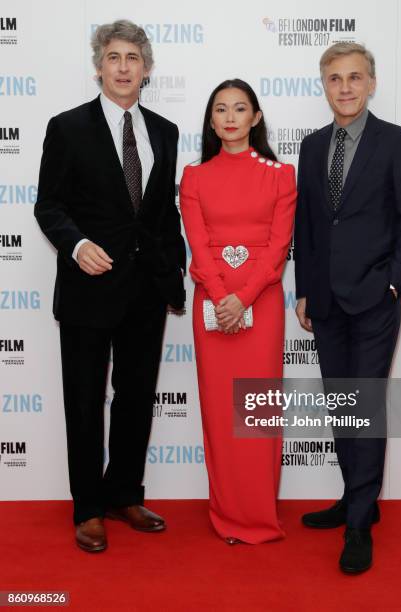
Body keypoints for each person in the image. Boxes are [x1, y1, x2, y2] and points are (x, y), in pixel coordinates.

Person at [34, 20, 185, 553]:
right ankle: (89, 507)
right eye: (114, 57)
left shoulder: (164, 131)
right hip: (87, 288)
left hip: (146, 289)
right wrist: (76, 245)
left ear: (146, 69)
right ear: (99, 66)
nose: (123, 67)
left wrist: (174, 274)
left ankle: (125, 494)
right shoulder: (67, 127)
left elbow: (163, 212)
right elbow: (48, 205)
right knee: (83, 398)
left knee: (137, 397)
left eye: (133, 58)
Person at [294, 43, 401, 573]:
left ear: (371, 83)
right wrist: (305, 290)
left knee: (365, 408)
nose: (345, 87)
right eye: (334, 78)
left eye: (354, 77)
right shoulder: (310, 147)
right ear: (324, 86)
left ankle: (357, 525)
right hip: (326, 303)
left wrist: (394, 286)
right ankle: (358, 500)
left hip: (375, 300)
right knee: (343, 407)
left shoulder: (398, 143)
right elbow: (307, 227)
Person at [180, 79, 296, 544]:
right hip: (212, 305)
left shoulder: (280, 174)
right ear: (211, 121)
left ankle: (259, 515)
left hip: (261, 306)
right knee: (219, 413)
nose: (230, 117)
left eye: (240, 108)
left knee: (256, 414)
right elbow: (197, 242)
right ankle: (227, 514)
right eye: (221, 110)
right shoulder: (194, 176)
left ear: (256, 117)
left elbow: (278, 248)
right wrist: (218, 294)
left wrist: (241, 298)